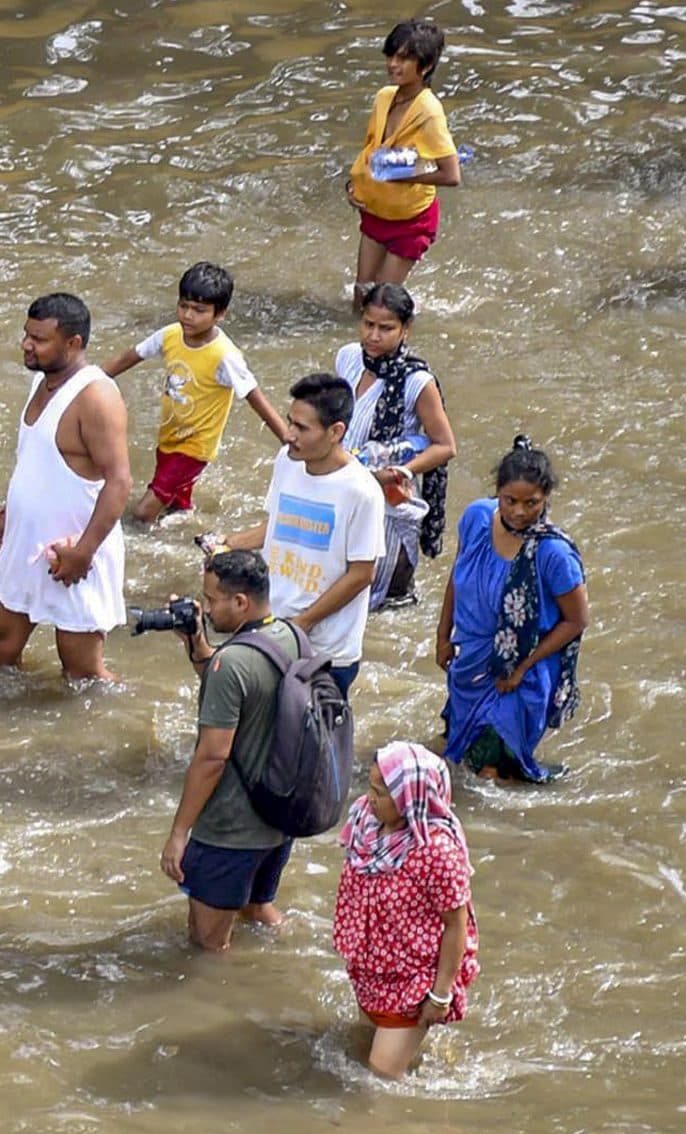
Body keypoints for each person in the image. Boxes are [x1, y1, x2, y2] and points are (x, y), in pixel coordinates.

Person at [206, 373, 384, 695]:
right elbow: (278, 525)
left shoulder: (362, 492)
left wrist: (303, 623)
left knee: (309, 739)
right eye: (290, 422)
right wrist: (228, 544)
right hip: (270, 630)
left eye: (302, 428)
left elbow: (362, 573)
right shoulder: (287, 462)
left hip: (325, 652)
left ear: (336, 432)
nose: (289, 435)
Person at [161, 550, 301, 952]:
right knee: (259, 911)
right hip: (279, 819)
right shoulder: (291, 637)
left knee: (206, 946)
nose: (205, 609)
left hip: (231, 832)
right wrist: (197, 644)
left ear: (240, 602)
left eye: (211, 601)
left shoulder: (232, 664)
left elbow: (212, 758)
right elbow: (247, 688)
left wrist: (178, 833)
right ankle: (287, 965)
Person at [0, 294, 132, 681]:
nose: (26, 345)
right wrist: (6, 516)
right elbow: (32, 460)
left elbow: (120, 481)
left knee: (82, 673)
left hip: (75, 548)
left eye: (39, 339)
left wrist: (84, 553)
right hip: (26, 541)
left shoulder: (96, 397)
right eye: (26, 335)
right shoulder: (41, 381)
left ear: (73, 344)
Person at [437, 438, 588, 782]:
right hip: (471, 662)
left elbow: (577, 620)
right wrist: (442, 636)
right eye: (510, 501)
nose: (519, 512)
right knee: (456, 759)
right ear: (497, 493)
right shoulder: (476, 519)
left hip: (520, 674)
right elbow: (457, 577)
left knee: (490, 773)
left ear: (546, 498)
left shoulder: (553, 554)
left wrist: (521, 667)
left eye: (531, 503)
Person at [99, 263, 290, 521]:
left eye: (199, 310)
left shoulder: (225, 356)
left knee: (143, 513)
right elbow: (129, 357)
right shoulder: (170, 335)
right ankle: (185, 532)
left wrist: (287, 439)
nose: (188, 315)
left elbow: (255, 397)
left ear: (220, 314)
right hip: (170, 436)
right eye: (184, 306)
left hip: (195, 447)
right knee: (175, 507)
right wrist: (86, 380)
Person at [334, 741, 478, 1078]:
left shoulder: (436, 851)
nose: (370, 798)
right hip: (371, 971)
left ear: (410, 797)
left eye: (381, 793)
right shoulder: (366, 824)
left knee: (378, 1078)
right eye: (370, 787)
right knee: (358, 1056)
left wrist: (439, 996)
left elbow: (456, 926)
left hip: (414, 980)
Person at [336, 282, 457, 607]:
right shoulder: (348, 358)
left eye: (386, 328)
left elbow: (444, 446)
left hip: (390, 501)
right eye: (368, 325)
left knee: (385, 597)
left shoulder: (417, 382)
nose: (374, 336)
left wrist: (400, 470)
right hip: (345, 487)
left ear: (406, 329)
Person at [344, 19, 460, 308]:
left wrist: (405, 177)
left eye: (405, 58)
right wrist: (355, 184)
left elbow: (451, 174)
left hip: (410, 220)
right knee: (360, 296)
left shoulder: (429, 112)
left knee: (381, 303)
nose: (393, 64)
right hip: (376, 210)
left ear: (427, 65)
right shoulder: (384, 97)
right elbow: (371, 148)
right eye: (391, 55)